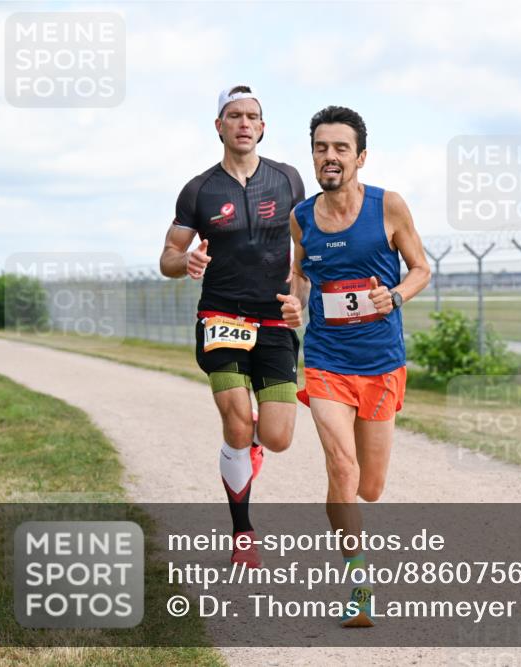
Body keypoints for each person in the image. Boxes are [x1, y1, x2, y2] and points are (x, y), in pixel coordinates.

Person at [289, 106, 430, 626]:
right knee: (342, 471)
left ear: (360, 157)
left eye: (340, 148)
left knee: (370, 486)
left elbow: (421, 269)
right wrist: (294, 302)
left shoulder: (388, 207)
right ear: (314, 156)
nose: (330, 157)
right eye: (321, 148)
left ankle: (347, 511)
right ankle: (359, 584)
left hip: (380, 363)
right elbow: (300, 277)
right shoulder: (301, 217)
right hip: (326, 360)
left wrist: (393, 296)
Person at [159, 85, 306, 568]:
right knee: (238, 421)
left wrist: (299, 303)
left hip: (274, 319)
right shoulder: (199, 189)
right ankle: (243, 530)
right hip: (221, 316)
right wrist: (189, 260)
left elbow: (304, 254)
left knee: (279, 436)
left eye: (252, 116)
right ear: (218, 126)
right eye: (234, 115)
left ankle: (248, 446)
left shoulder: (287, 180)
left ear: (263, 128)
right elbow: (167, 258)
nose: (244, 123)